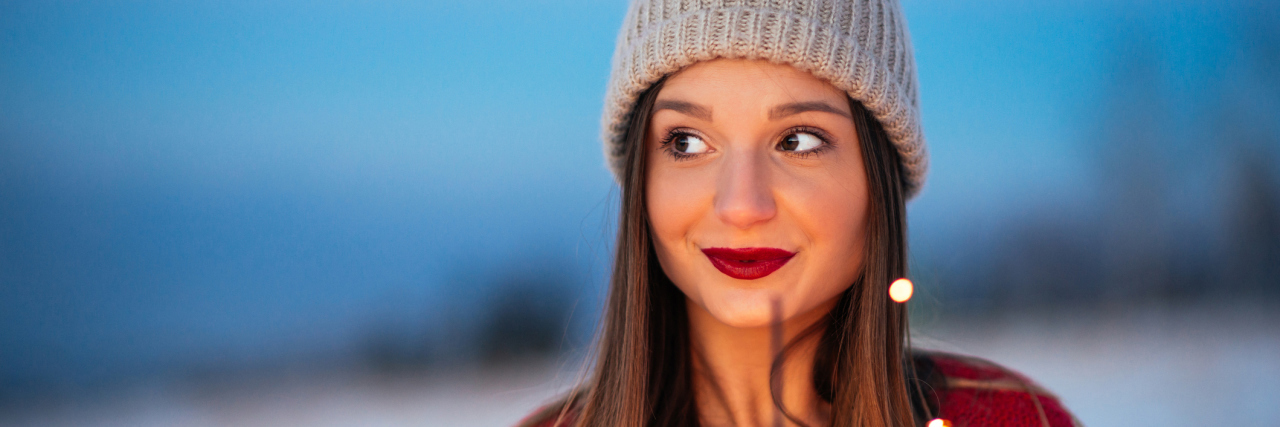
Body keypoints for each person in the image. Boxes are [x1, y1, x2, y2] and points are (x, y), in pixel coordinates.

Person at [521, 0, 1080, 426]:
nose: (741, 206)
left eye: (798, 141)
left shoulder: (1011, 419)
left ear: (879, 176)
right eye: (686, 143)